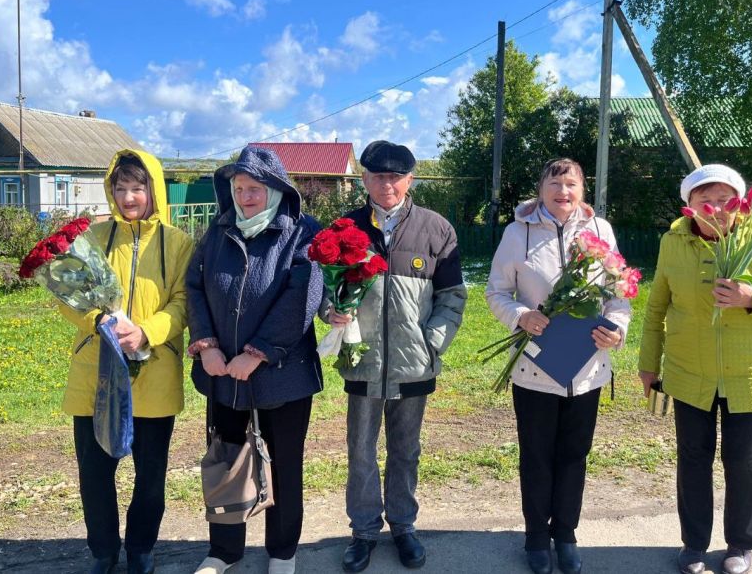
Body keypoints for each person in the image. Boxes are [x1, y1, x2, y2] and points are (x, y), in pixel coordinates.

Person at [638, 164, 752, 574]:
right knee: (693, 459)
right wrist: (649, 364)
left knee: (745, 460)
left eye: (724, 200)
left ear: (739, 204)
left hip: (751, 374)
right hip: (687, 372)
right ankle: (694, 545)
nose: (716, 209)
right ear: (690, 206)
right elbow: (656, 309)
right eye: (705, 201)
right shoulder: (673, 243)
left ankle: (741, 544)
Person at [325, 140, 466, 572]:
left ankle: (403, 526)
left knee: (406, 450)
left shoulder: (436, 229)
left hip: (414, 363)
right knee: (361, 450)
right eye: (378, 175)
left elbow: (452, 296)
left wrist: (432, 342)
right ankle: (364, 532)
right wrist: (328, 310)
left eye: (396, 176)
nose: (387, 183)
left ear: (410, 179)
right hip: (362, 359)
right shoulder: (345, 228)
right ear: (363, 178)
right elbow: (325, 289)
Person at [485, 158, 630, 574]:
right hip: (534, 370)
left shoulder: (601, 232)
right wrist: (520, 316)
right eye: (555, 182)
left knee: (574, 455)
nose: (563, 191)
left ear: (583, 189)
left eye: (571, 183)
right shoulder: (517, 233)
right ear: (540, 188)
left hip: (586, 370)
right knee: (536, 456)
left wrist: (616, 329)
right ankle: (535, 537)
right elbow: (496, 292)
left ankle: (565, 534)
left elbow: (619, 294)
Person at [186, 146, 323, 574]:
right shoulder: (218, 230)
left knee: (283, 463)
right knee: (227, 458)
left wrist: (257, 353)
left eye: (255, 188)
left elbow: (302, 296)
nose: (246, 196)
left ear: (277, 190)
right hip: (222, 373)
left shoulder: (302, 233)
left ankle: (282, 552)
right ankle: (224, 550)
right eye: (239, 187)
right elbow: (194, 286)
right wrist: (207, 344)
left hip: (283, 376)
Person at [60, 150, 194, 574]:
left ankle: (141, 548)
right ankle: (103, 551)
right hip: (96, 377)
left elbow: (185, 301)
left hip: (155, 373)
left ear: (153, 189)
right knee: (95, 476)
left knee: (150, 478)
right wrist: (99, 320)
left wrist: (147, 332)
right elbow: (67, 294)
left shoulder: (178, 243)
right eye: (120, 188)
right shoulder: (94, 239)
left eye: (137, 188)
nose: (129, 197)